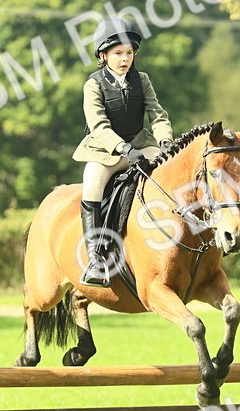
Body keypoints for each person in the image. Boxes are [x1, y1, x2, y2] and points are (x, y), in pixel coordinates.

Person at [71, 16, 174, 287]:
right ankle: (95, 259)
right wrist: (123, 149)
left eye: (129, 53)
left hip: (141, 145)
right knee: (92, 185)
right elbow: (99, 125)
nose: (124, 58)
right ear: (103, 55)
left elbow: (158, 115)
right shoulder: (93, 84)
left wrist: (165, 143)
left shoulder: (142, 80)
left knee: (171, 173)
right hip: (106, 152)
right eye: (118, 53)